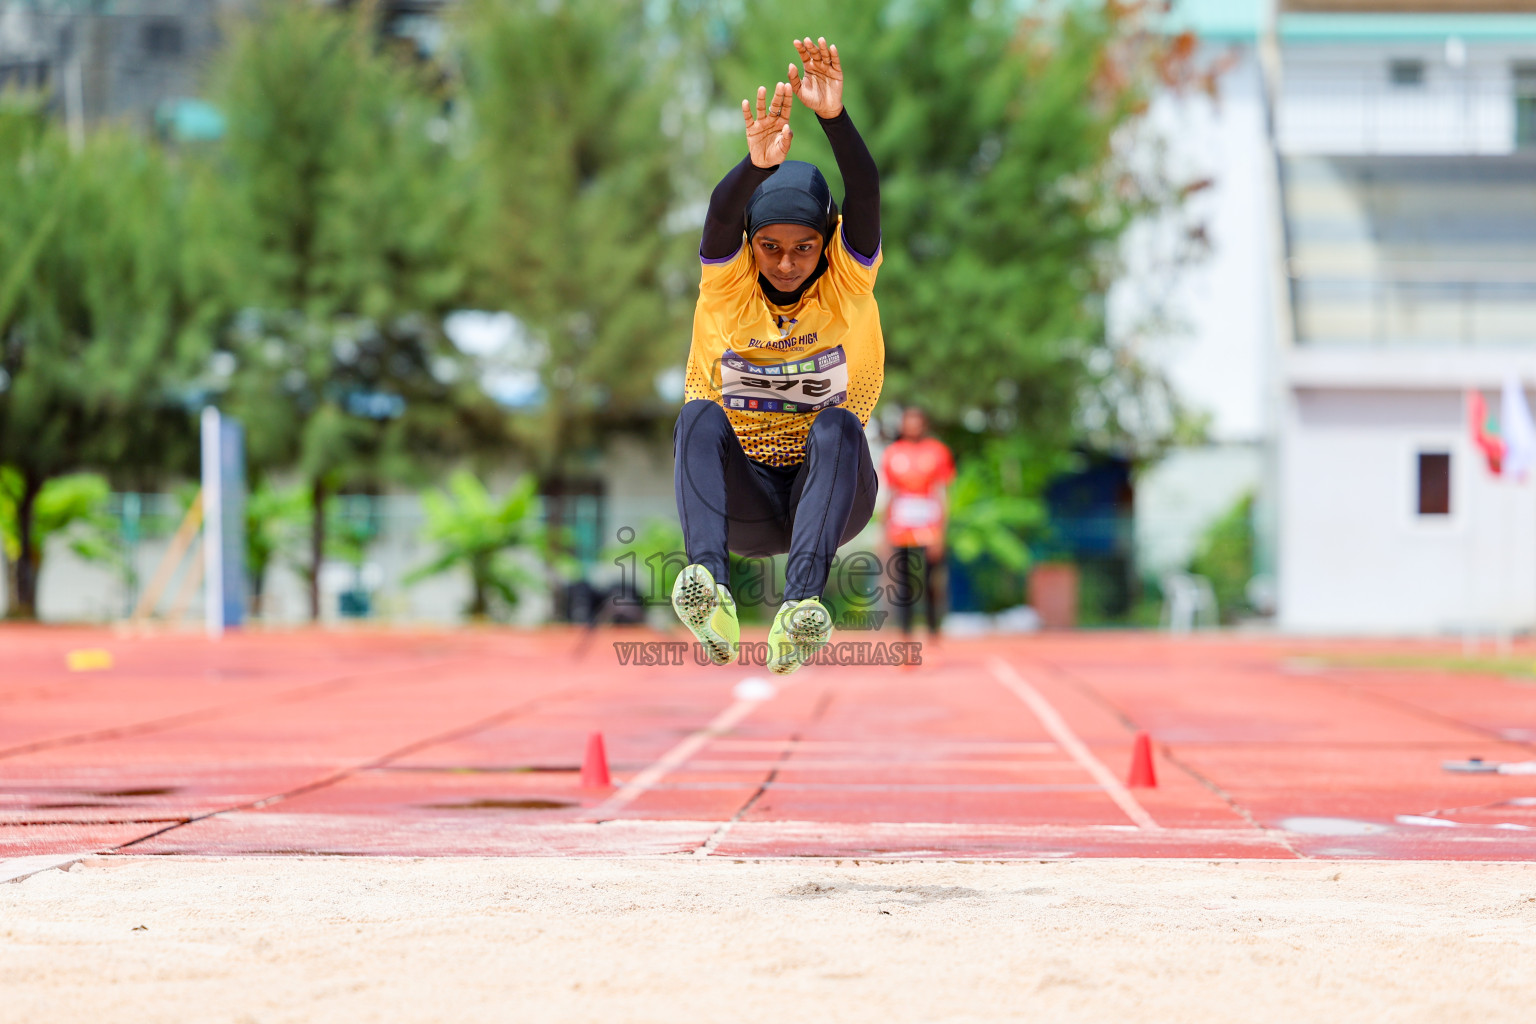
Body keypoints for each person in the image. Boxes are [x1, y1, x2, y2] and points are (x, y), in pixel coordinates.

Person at [672, 37, 882, 676]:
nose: (787, 263)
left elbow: (866, 189)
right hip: (747, 500)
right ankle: (708, 587)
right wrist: (756, 166)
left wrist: (834, 119)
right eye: (770, 247)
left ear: (829, 242)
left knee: (838, 423)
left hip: (833, 493)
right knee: (696, 418)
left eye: (804, 248)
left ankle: (801, 608)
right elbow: (718, 212)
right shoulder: (726, 284)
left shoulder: (847, 280)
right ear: (749, 244)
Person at [881, 407, 955, 638]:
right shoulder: (892, 454)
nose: (912, 426)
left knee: (931, 579)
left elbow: (941, 492)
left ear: (924, 424)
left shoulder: (937, 451)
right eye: (908, 421)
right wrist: (884, 531)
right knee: (903, 582)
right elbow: (889, 494)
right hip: (901, 524)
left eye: (917, 421)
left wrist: (941, 530)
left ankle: (933, 632)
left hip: (928, 523)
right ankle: (905, 635)